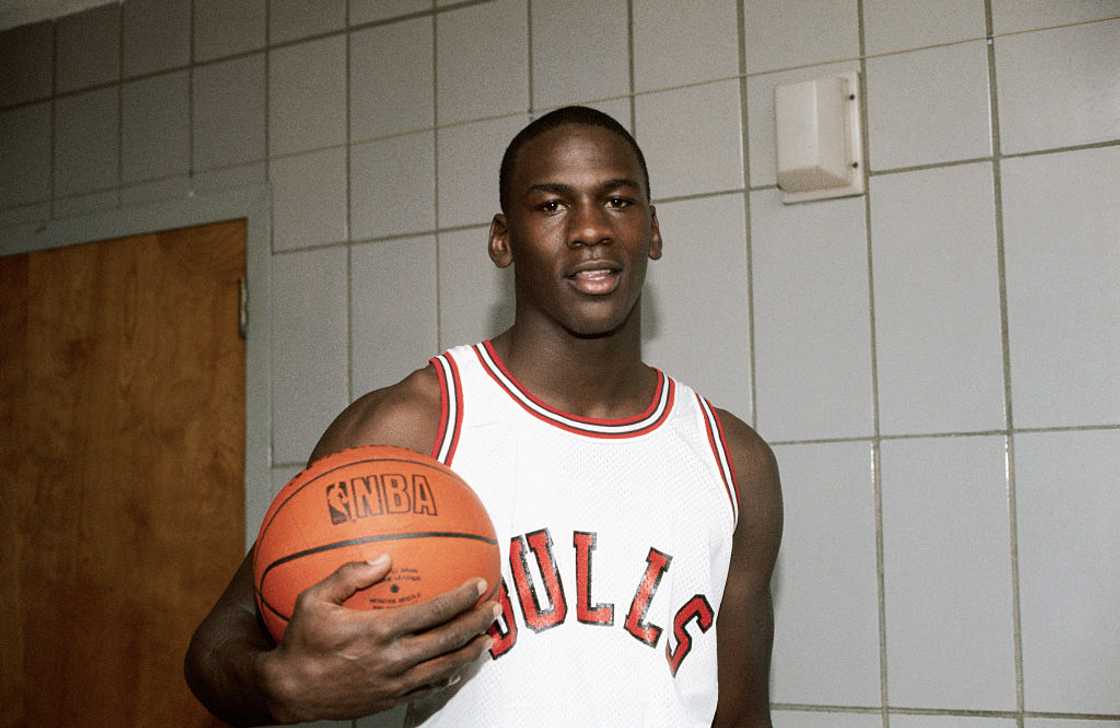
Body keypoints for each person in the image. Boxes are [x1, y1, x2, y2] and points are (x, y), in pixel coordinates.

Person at [185, 106, 783, 727]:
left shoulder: (733, 462)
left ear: (653, 231)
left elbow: (741, 718)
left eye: (618, 202)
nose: (589, 229)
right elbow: (214, 649)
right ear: (503, 240)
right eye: (551, 205)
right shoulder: (414, 427)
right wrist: (277, 684)